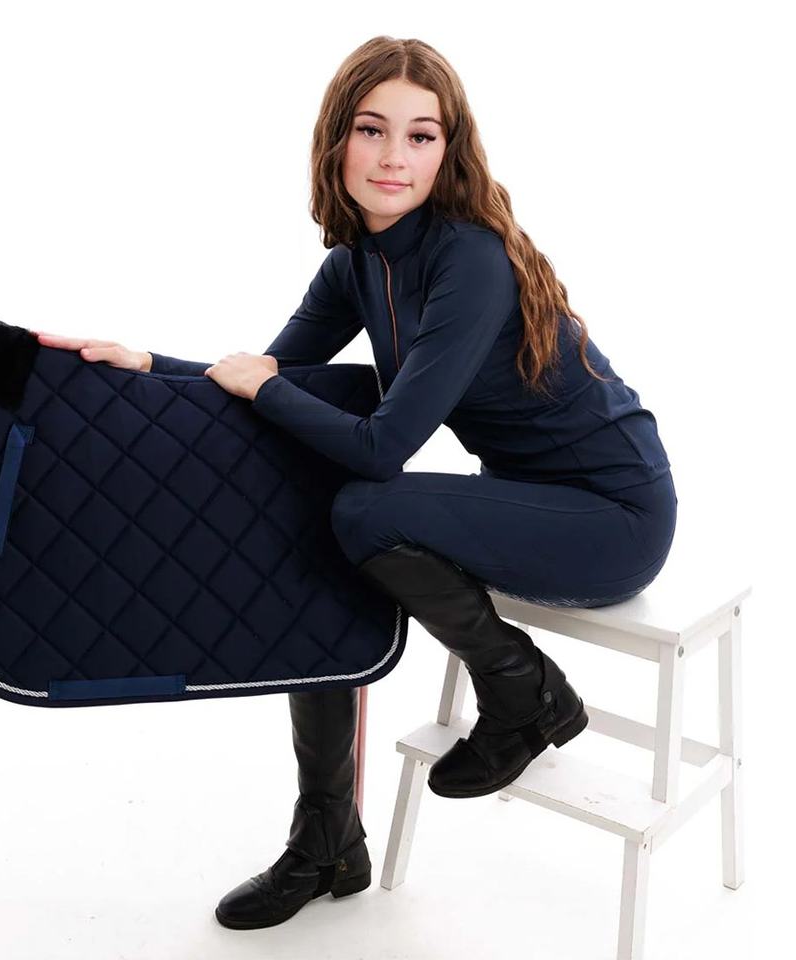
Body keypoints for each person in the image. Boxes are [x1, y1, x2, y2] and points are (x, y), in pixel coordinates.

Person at [34, 35, 678, 930]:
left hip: (613, 520)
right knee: (319, 519)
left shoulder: (469, 259)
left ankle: (523, 689)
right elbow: (265, 380)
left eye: (421, 135)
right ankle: (327, 838)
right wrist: (148, 366)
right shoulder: (356, 264)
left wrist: (263, 389)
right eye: (373, 130)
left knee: (362, 506)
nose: (393, 157)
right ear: (338, 138)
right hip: (524, 506)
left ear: (449, 150)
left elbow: (380, 447)